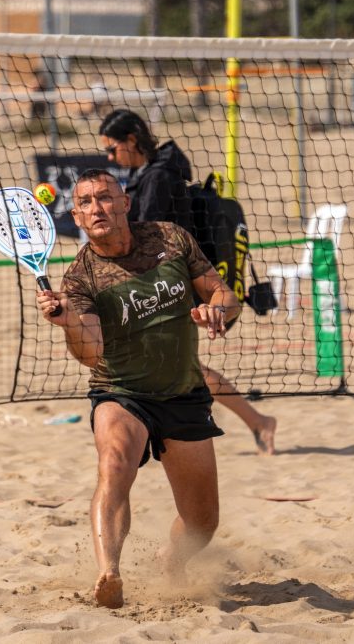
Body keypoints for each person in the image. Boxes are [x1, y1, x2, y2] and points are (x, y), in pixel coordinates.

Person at [37, 169, 240, 608]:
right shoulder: (80, 278)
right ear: (76, 217)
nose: (97, 208)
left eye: (105, 197)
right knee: (114, 464)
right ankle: (109, 571)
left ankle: (172, 560)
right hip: (122, 391)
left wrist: (217, 311)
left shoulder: (170, 238)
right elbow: (91, 353)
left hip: (183, 393)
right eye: (86, 202)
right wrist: (69, 322)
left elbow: (225, 295)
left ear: (125, 203)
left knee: (202, 523)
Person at [98, 109, 277, 455]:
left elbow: (145, 238)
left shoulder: (158, 177)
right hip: (162, 286)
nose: (109, 157)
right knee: (172, 366)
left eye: (111, 148)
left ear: (131, 140)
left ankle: (249, 422)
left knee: (176, 366)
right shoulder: (149, 174)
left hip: (167, 288)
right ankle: (254, 421)